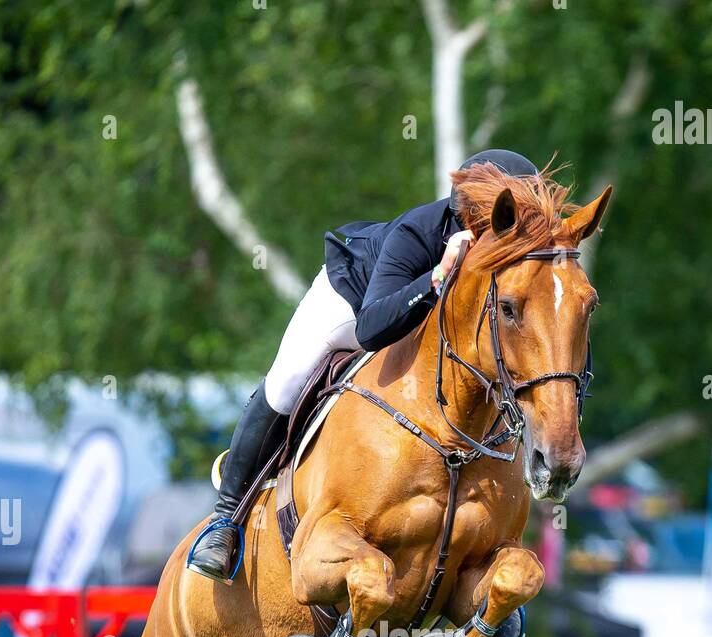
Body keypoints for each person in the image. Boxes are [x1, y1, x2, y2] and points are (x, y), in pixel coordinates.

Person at [187, 149, 540, 582]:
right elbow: (373, 328)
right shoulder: (418, 232)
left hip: (427, 331)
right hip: (355, 305)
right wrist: (437, 277)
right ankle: (224, 522)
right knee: (286, 383)